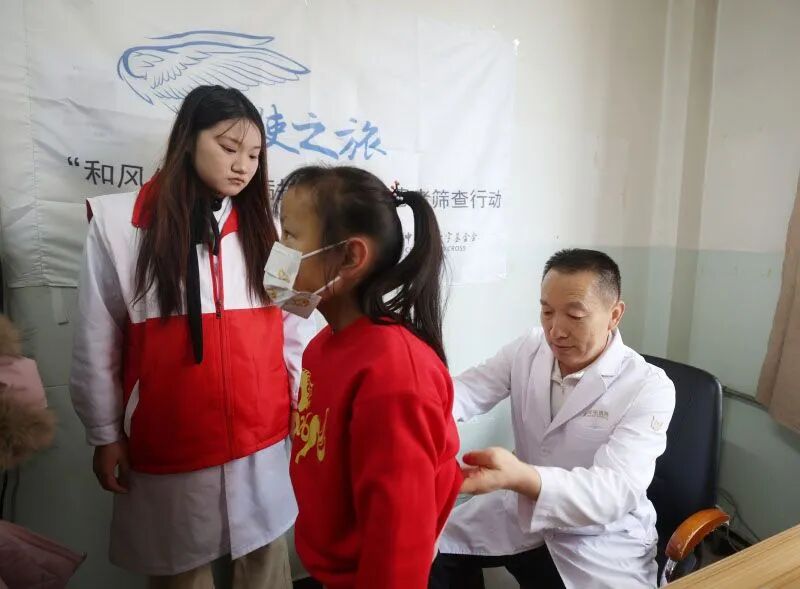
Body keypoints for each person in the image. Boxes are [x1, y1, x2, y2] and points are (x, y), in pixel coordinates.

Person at [69, 85, 316, 588]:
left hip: (262, 435)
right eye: (228, 148)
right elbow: (97, 339)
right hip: (172, 437)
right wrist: (104, 433)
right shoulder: (120, 225)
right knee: (182, 574)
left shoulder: (271, 231)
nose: (242, 166)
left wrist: (301, 407)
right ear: (188, 139)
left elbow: (295, 329)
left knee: (266, 566)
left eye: (254, 155)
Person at [430, 249, 676, 589]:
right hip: (519, 511)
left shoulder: (648, 386)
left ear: (614, 315)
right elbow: (466, 392)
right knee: (430, 548)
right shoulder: (528, 349)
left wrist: (521, 477)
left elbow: (614, 491)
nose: (555, 331)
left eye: (575, 315)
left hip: (599, 538)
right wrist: (414, 413)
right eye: (547, 311)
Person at [268, 166, 461, 589]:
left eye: (291, 236)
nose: (276, 251)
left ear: (351, 258)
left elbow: (398, 545)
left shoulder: (394, 375)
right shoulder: (323, 346)